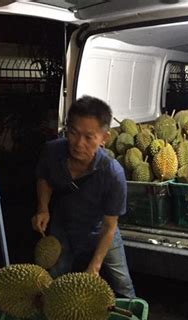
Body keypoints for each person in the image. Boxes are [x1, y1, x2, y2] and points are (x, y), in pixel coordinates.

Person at [31, 95, 136, 298]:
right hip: (64, 223)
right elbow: (44, 177)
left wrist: (95, 266)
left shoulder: (113, 173)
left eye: (89, 137)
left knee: (122, 283)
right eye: (73, 133)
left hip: (100, 228)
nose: (78, 143)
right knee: (54, 276)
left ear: (104, 138)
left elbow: (110, 226)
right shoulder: (52, 151)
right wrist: (42, 207)